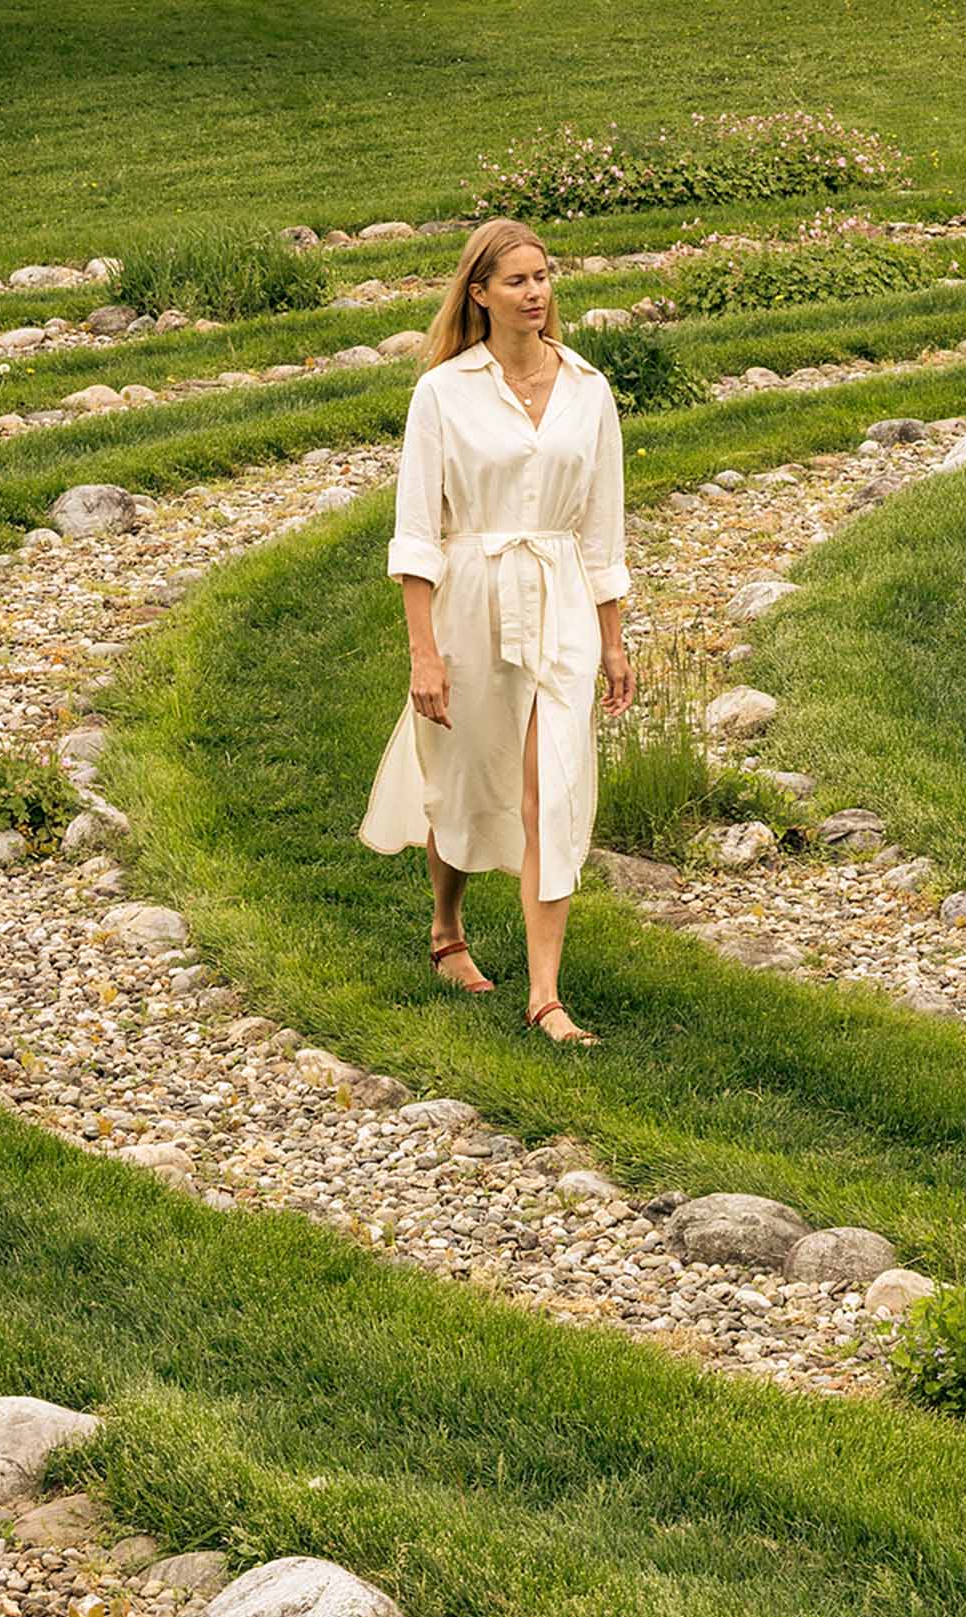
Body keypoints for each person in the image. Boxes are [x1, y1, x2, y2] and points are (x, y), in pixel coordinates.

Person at [358, 217, 635, 1046]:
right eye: (517, 281)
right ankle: (447, 927)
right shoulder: (441, 393)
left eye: (543, 276)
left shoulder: (590, 389)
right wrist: (424, 653)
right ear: (479, 293)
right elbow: (415, 532)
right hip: (471, 597)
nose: (537, 292)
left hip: (561, 604)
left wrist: (613, 639)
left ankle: (545, 994)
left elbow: (603, 530)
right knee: (465, 772)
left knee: (552, 783)